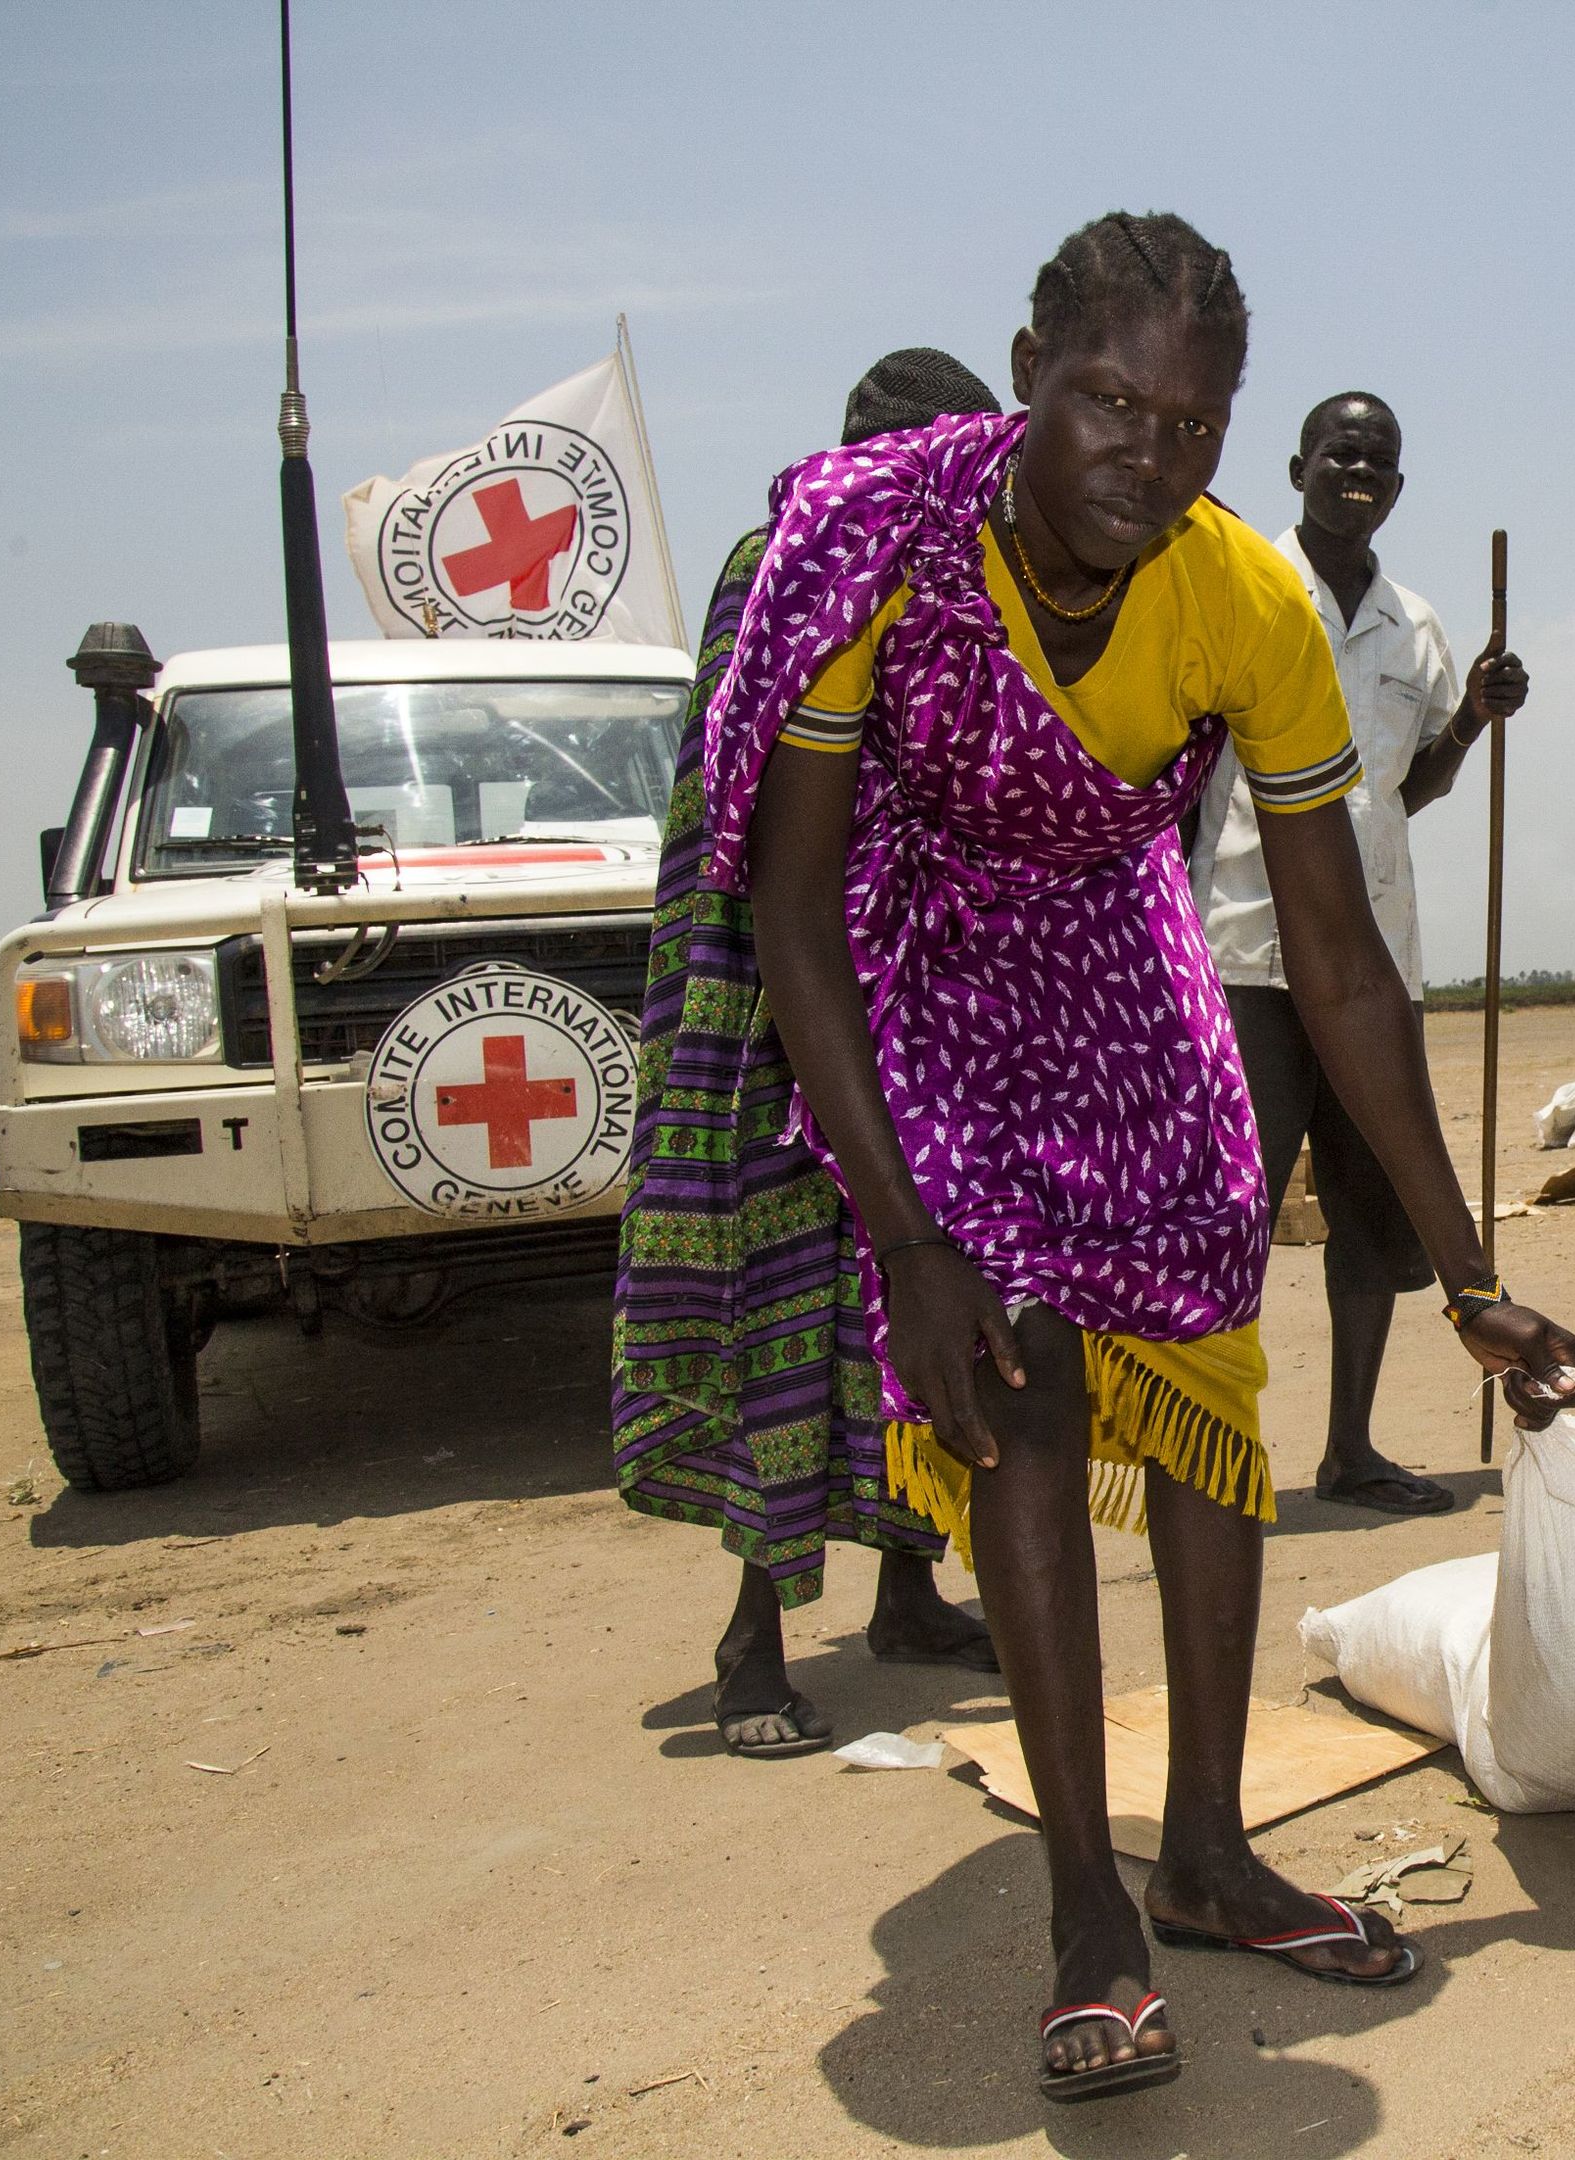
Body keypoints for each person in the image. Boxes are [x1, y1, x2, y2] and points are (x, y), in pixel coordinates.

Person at [658, 211, 1575, 2105]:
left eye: (1188, 424)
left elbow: (1340, 969)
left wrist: (1470, 1273)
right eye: (1105, 400)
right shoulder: (875, 544)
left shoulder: (1245, 603)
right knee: (1022, 1370)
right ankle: (1088, 1901)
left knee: (1205, 1378)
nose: (1142, 459)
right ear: (1024, 370)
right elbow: (798, 903)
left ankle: (1212, 1852)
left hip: (1120, 950)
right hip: (912, 951)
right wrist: (905, 1238)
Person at [613, 347, 1012, 1761]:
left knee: (913, 1314)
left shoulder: (949, 576)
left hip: (905, 1005)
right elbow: (757, 807)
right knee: (780, 1313)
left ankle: (909, 1589)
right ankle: (754, 1638)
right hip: (770, 1016)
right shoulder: (773, 564)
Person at [1190, 390, 1528, 1514]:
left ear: (1396, 486)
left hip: (1375, 953)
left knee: (1371, 1206)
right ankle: (1210, 1453)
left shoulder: (1415, 627)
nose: (1358, 471)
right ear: (1297, 467)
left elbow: (1413, 787)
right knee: (1234, 1206)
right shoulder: (1240, 586)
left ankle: (1350, 1449)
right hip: (1245, 944)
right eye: (1340, 452)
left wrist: (1473, 716)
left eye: (1379, 460)